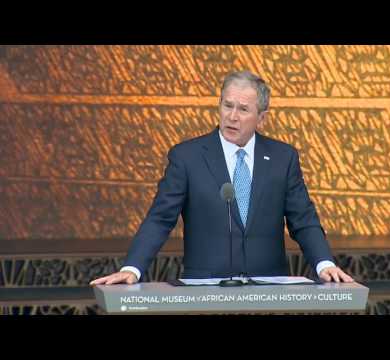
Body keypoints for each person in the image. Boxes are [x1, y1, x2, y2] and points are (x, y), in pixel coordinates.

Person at [90, 70, 353, 286]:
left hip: (269, 288)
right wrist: (132, 268)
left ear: (262, 118)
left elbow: (303, 219)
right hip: (205, 287)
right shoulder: (187, 157)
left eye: (243, 109)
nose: (232, 116)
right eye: (227, 105)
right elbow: (160, 218)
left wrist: (324, 263)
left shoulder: (283, 158)